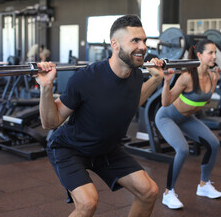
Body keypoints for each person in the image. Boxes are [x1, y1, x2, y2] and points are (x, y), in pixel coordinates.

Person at [36, 15, 164, 217]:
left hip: (107, 149)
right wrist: (46, 88)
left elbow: (130, 101)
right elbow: (50, 122)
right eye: (135, 41)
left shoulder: (136, 74)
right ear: (115, 44)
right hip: (70, 149)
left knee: (149, 191)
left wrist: (157, 79)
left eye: (144, 40)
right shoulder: (86, 78)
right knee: (87, 203)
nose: (143, 46)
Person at [155, 39, 221, 210]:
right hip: (167, 117)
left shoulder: (211, 75)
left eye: (215, 53)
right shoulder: (186, 77)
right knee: (182, 149)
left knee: (214, 143)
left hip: (186, 119)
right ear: (199, 55)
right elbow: (165, 102)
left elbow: (206, 99)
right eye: (210, 53)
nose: (214, 56)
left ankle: (203, 185)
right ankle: (168, 193)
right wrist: (167, 81)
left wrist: (216, 80)